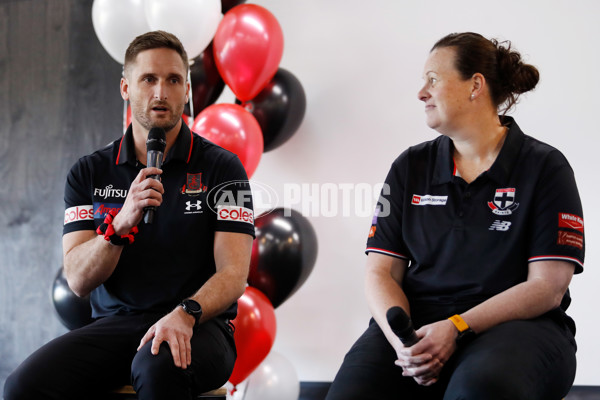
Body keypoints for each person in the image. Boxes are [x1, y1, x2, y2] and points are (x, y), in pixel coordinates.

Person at [326, 32, 584, 400]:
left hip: (519, 328)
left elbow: (548, 287)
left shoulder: (544, 167)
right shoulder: (410, 166)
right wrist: (402, 342)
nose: (421, 93)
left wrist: (457, 326)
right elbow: (379, 271)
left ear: (475, 85)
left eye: (433, 80)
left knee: (479, 388)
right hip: (419, 326)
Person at [4, 31, 255, 400]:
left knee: (155, 366)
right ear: (126, 88)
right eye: (148, 79)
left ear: (186, 90)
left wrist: (186, 313)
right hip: (117, 326)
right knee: (22, 387)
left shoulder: (223, 167)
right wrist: (120, 224)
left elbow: (234, 274)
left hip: (199, 325)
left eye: (173, 80)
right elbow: (77, 279)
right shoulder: (89, 172)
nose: (160, 93)